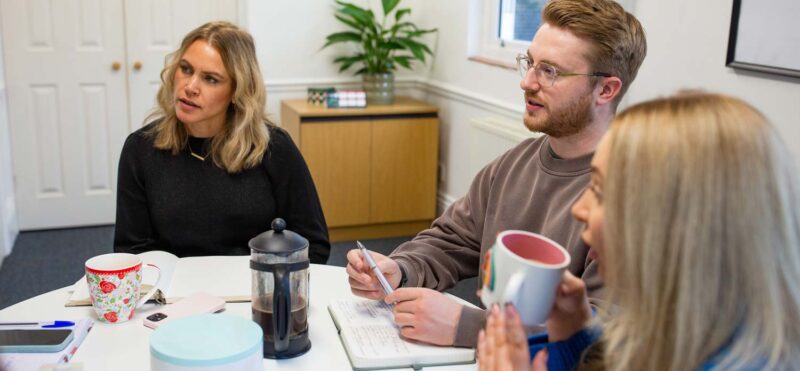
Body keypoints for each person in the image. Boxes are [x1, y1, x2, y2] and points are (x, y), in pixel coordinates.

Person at [346, 0, 647, 347]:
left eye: (550, 71)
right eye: (530, 63)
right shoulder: (512, 165)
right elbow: (452, 240)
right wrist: (401, 269)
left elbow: (604, 335)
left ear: (606, 90)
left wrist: (470, 326)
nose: (527, 82)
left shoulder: (632, 194)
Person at [477, 92, 800, 370]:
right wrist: (575, 334)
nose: (580, 209)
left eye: (600, 191)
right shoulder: (682, 331)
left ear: (675, 222)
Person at [114, 21, 330, 263]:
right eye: (185, 69)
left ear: (237, 92)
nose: (190, 87)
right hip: (174, 293)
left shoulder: (272, 147)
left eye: (211, 79)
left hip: (255, 289)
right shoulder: (140, 148)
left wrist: (271, 289)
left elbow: (313, 244)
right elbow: (131, 249)